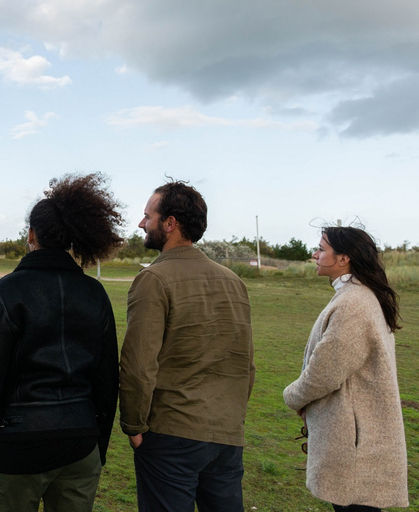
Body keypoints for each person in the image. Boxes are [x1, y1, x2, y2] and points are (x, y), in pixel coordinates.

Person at [0, 173, 123, 512]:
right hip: (81, 444)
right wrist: (98, 443)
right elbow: (108, 379)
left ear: (31, 234)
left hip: (19, 445)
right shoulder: (95, 294)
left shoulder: (8, 291)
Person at [119, 180, 255, 512]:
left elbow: (138, 365)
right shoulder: (233, 281)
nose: (141, 224)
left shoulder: (153, 279)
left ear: (170, 224)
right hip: (226, 435)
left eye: (147, 216)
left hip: (171, 434)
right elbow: (246, 363)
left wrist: (134, 427)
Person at [283, 227, 408, 511]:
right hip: (357, 435)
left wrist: (293, 397)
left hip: (357, 443)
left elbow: (324, 372)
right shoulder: (357, 296)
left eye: (321, 249)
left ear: (343, 259)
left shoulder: (353, 303)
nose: (314, 255)